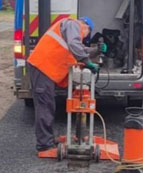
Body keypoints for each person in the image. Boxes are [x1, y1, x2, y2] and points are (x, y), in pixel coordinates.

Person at [26, 16, 100, 156]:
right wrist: (87, 62)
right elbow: (75, 45)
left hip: (45, 69)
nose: (84, 37)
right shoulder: (74, 24)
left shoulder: (70, 28)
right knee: (45, 106)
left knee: (48, 105)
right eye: (87, 34)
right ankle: (44, 145)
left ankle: (47, 140)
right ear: (86, 26)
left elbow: (79, 47)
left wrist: (95, 50)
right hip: (42, 67)